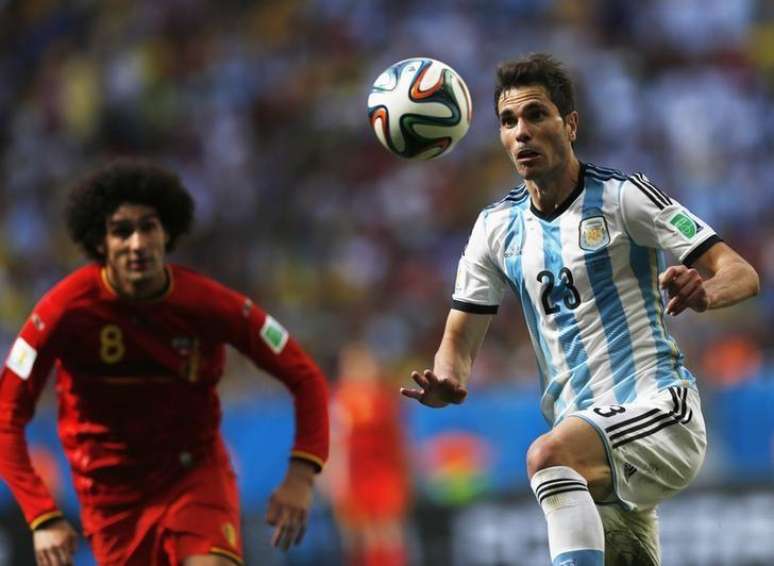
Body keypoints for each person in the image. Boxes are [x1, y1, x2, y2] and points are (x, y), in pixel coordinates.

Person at [400, 53, 760, 566]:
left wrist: (705, 291)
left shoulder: (624, 198)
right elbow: (459, 338)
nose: (521, 132)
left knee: (546, 454)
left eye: (535, 115)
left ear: (569, 124)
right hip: (593, 458)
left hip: (660, 411)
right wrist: (446, 379)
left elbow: (740, 272)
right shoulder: (496, 230)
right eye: (508, 122)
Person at [0, 160, 330, 566]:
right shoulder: (63, 311)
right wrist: (42, 516)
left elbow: (305, 376)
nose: (137, 243)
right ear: (100, 241)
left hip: (194, 476)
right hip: (111, 497)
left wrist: (301, 474)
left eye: (148, 227)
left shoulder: (209, 304)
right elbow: (6, 414)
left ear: (167, 231)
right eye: (121, 231)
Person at [327, 342, 411, 566]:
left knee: (389, 534)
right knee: (359, 539)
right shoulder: (341, 401)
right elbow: (336, 448)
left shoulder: (385, 399)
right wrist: (337, 484)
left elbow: (400, 442)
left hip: (385, 475)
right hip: (356, 478)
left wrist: (405, 476)